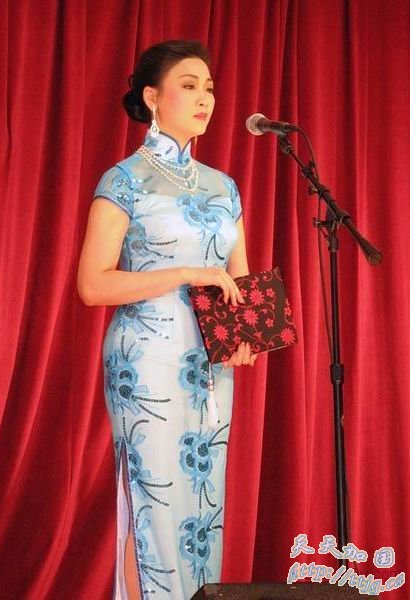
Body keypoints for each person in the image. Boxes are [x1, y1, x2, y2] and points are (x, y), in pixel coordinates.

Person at [77, 39, 258, 600]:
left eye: (209, 88)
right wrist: (185, 274)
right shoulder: (124, 180)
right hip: (147, 361)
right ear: (152, 97)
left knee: (202, 506)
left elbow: (241, 282)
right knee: (154, 506)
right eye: (189, 85)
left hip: (209, 367)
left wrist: (246, 335)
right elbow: (93, 285)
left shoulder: (223, 187)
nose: (204, 98)